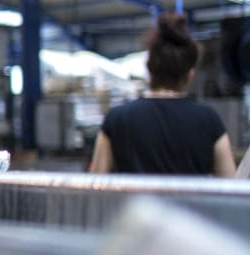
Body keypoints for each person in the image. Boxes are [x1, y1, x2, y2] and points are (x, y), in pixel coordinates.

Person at [88, 11, 235, 176]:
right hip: (189, 203)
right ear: (189, 75)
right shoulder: (209, 120)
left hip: (134, 203)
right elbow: (229, 185)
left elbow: (96, 184)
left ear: (149, 69)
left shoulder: (116, 119)